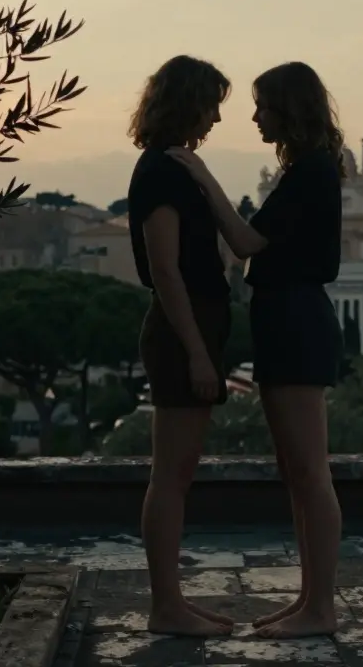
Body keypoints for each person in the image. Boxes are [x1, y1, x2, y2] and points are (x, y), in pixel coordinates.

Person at [168, 61, 344, 639]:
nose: (253, 116)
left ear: (289, 109)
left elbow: (245, 242)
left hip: (295, 321)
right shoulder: (305, 170)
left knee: (311, 474)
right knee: (297, 473)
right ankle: (308, 601)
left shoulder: (312, 171)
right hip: (285, 320)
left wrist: (205, 179)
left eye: (263, 106)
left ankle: (321, 608)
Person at [125, 55, 236, 637]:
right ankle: (166, 607)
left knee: (178, 472)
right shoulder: (163, 173)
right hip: (181, 330)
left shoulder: (177, 167)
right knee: (170, 475)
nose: (218, 115)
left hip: (192, 326)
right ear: (188, 102)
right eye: (212, 102)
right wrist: (196, 351)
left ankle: (173, 603)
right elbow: (167, 272)